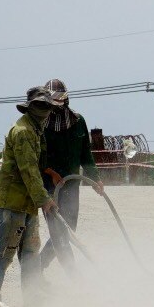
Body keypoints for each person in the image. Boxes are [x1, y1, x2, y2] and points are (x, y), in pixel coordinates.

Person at [0, 86, 57, 297]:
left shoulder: (35, 130)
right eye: (39, 105)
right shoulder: (24, 132)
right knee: (5, 253)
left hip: (28, 202)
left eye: (46, 106)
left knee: (31, 253)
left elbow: (37, 168)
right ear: (30, 107)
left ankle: (33, 300)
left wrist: (44, 197)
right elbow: (28, 170)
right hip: (13, 201)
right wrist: (44, 198)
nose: (43, 110)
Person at [39, 78, 104, 274]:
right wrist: (50, 173)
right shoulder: (41, 125)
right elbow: (36, 157)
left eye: (61, 100)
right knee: (58, 230)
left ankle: (38, 265)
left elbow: (86, 154)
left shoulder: (78, 121)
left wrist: (95, 179)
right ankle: (73, 276)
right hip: (50, 187)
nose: (58, 105)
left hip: (72, 185)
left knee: (68, 229)